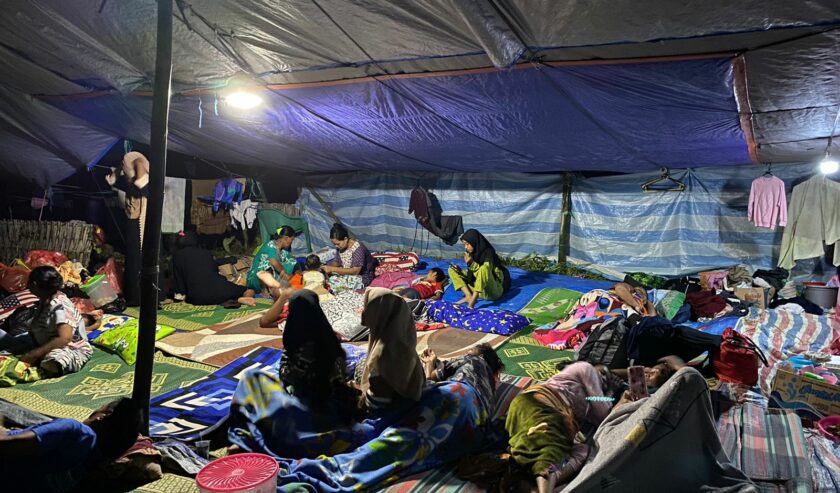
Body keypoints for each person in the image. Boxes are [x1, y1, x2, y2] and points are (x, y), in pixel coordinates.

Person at [228, 290, 364, 458]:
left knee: (252, 378)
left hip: (305, 412)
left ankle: (244, 437)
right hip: (333, 409)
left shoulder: (298, 344)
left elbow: (288, 378)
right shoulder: (330, 340)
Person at [505, 361, 615, 493]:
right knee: (550, 446)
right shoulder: (585, 367)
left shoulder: (588, 404)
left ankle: (538, 486)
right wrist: (615, 396)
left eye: (606, 381)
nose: (603, 378)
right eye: (602, 372)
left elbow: (603, 419)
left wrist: (607, 395)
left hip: (533, 414)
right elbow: (604, 412)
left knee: (584, 451)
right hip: (540, 403)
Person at [0, 397, 142, 493]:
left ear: (102, 416)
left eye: (100, 408)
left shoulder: (75, 431)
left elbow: (4, 445)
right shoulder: (95, 461)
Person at [0, 267, 92, 375]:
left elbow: (65, 338)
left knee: (52, 361)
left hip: (70, 349)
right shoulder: (45, 299)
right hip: (41, 342)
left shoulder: (59, 307)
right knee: (12, 345)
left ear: (34, 284)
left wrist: (33, 355)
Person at [360, 288, 425, 412]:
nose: (363, 312)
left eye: (368, 307)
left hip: (393, 413)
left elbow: (377, 404)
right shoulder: (401, 336)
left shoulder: (382, 354)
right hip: (411, 400)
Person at [105, 151, 150, 307]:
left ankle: (143, 295)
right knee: (134, 256)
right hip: (134, 215)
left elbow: (142, 182)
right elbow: (113, 181)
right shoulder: (132, 162)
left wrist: (129, 178)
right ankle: (135, 295)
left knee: (140, 255)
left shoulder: (136, 161)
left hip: (142, 215)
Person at [172, 231, 256, 306]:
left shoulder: (177, 257)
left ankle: (235, 300)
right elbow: (213, 272)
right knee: (246, 290)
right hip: (222, 290)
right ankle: (240, 298)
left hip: (197, 298)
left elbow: (180, 286)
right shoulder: (206, 253)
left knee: (207, 295)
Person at [420, 343, 503, 413]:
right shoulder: (491, 385)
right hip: (478, 417)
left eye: (470, 351)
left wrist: (429, 362)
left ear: (481, 355)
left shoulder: (473, 359)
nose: (466, 353)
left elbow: (431, 377)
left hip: (458, 396)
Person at [448, 229, 510, 309]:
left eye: (467, 244)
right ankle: (468, 296)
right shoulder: (472, 254)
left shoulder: (488, 253)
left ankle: (472, 303)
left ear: (474, 242)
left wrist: (472, 263)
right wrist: (461, 271)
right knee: (452, 269)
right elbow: (473, 276)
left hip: (492, 291)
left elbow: (484, 272)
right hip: (477, 290)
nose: (466, 247)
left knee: (483, 269)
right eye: (464, 245)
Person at [245, 226, 298, 296]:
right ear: (286, 238)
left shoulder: (284, 251)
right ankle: (264, 290)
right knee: (268, 264)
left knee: (291, 261)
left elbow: (293, 262)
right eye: (292, 240)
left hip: (272, 280)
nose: (291, 242)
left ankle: (290, 284)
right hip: (256, 278)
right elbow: (274, 262)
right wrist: (283, 272)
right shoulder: (270, 245)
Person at [322, 223, 376, 290]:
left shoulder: (358, 249)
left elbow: (355, 271)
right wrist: (326, 266)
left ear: (345, 239)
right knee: (329, 279)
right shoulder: (340, 247)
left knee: (336, 285)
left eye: (337, 244)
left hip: (361, 277)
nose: (336, 246)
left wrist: (332, 269)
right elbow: (337, 262)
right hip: (347, 274)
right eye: (334, 244)